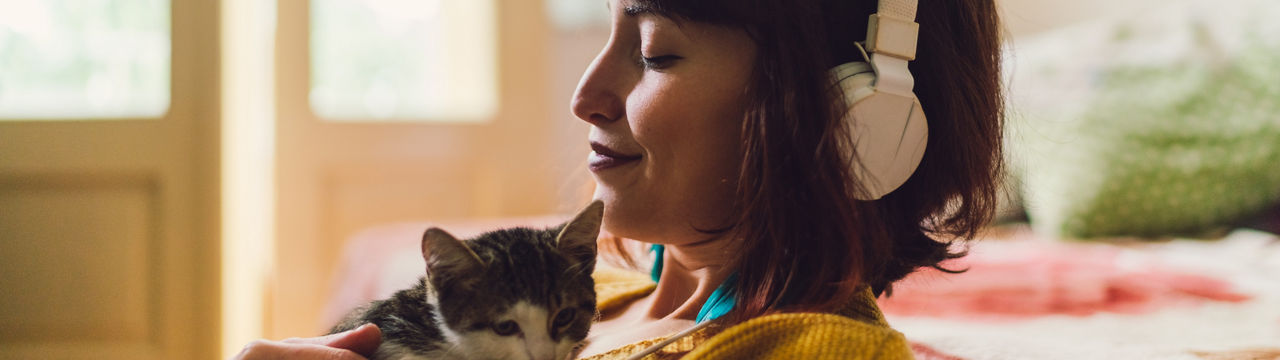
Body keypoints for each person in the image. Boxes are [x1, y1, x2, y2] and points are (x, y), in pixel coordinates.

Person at [235, 0, 1002, 358]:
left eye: (657, 52)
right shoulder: (608, 300)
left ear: (846, 118)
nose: (586, 94)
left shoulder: (819, 352)